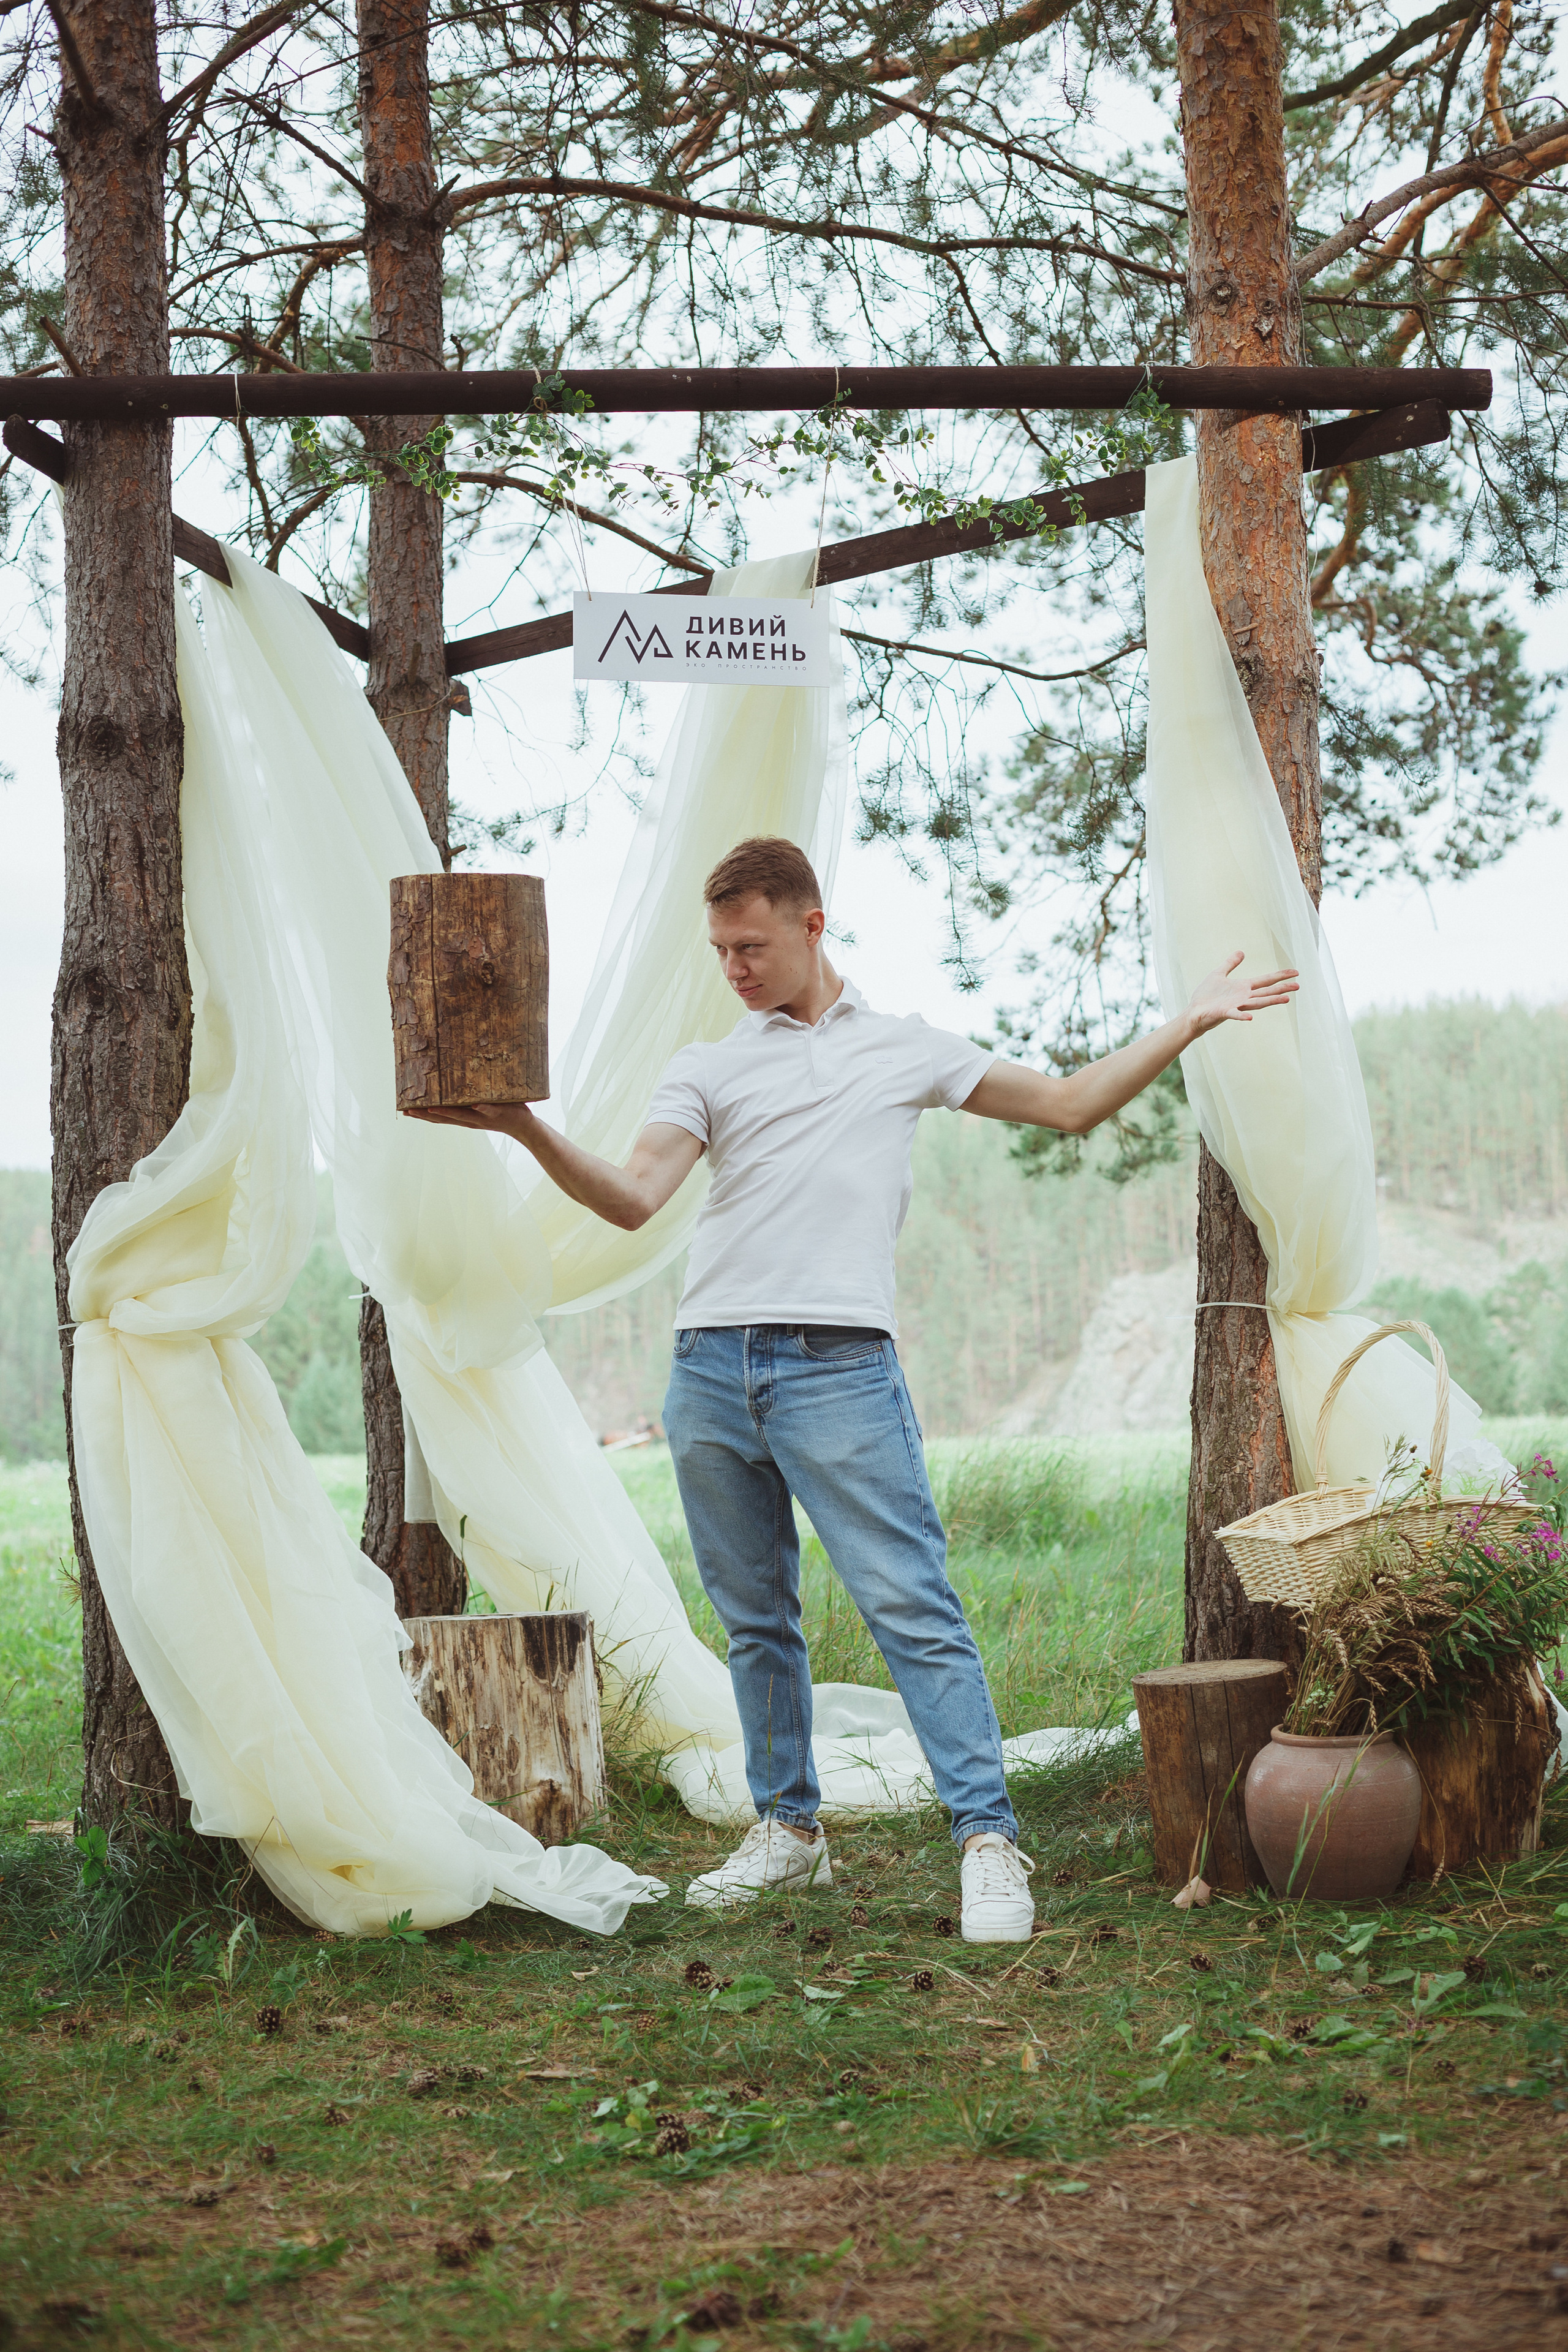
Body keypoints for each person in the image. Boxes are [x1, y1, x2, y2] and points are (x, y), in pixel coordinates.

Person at [430, 836, 1298, 1939]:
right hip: (707, 1370)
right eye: (719, 950)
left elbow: (1072, 1106)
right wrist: (520, 1124)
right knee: (756, 1623)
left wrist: (1192, 1016)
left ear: (812, 924)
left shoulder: (906, 1051)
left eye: (750, 946)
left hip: (839, 1368)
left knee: (913, 1611)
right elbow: (635, 1198)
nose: (733, 968)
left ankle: (988, 1839)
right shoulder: (706, 1067)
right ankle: (790, 1833)